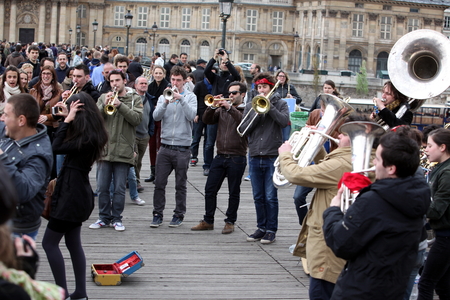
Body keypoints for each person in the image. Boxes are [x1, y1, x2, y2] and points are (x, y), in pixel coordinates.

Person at [322, 132, 430, 300]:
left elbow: (340, 243)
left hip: (362, 290)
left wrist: (333, 210)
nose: (373, 163)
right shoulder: (418, 194)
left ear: (391, 169)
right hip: (393, 288)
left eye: (378, 159)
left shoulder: (374, 200)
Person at [280, 115, 363, 299]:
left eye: (344, 134)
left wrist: (285, 154)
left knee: (321, 293)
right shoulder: (356, 160)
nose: (339, 136)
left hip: (327, 248)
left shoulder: (344, 162)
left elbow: (296, 175)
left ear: (355, 138)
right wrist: (317, 147)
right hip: (340, 243)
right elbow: (328, 169)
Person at [42, 93, 108, 300]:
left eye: (72, 110)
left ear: (79, 112)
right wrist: (65, 119)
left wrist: (67, 120)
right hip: (77, 192)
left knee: (49, 243)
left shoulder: (87, 138)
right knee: (73, 243)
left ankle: (61, 294)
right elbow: (66, 141)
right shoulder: (90, 134)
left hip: (71, 194)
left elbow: (57, 147)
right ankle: (80, 293)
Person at [238, 72, 289, 244]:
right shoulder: (252, 105)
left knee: (270, 196)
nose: (261, 90)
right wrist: (256, 113)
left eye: (264, 87)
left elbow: (284, 122)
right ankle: (261, 227)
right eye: (259, 87)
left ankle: (271, 230)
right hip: (254, 154)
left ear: (271, 87)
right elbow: (243, 128)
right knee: (258, 195)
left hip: (271, 155)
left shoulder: (280, 103)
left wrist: (269, 108)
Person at [191, 81, 248, 234]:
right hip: (220, 155)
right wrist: (213, 106)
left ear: (242, 94)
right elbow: (207, 120)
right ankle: (208, 220)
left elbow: (244, 124)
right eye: (229, 93)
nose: (231, 95)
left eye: (234, 93)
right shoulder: (222, 110)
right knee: (209, 189)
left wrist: (230, 108)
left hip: (237, 156)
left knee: (233, 191)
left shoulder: (247, 109)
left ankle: (230, 221)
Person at [89, 69, 143, 232]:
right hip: (105, 149)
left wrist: (120, 106)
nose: (114, 84)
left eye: (117, 80)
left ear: (124, 81)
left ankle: (117, 218)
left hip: (124, 149)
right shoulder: (103, 97)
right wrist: (103, 105)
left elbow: (137, 120)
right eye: (111, 81)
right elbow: (93, 120)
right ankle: (103, 217)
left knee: (119, 188)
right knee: (102, 187)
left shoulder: (134, 98)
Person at [0, 94, 53, 239]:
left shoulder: (39, 154)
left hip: (16, 230)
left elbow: (23, 191)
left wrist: (2, 158)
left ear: (21, 120)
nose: (2, 119)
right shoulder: (9, 132)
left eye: (5, 115)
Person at [150, 66, 196, 228]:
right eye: (173, 80)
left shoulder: (191, 97)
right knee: (159, 182)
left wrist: (181, 99)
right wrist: (165, 102)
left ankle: (178, 214)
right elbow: (156, 116)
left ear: (184, 81)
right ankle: (157, 214)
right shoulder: (165, 95)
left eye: (178, 80)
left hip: (183, 148)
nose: (175, 83)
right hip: (165, 146)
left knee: (180, 184)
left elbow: (191, 116)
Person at [418, 128, 450, 300]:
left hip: (446, 238)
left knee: (425, 282)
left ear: (442, 147)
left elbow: (437, 210)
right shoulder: (442, 168)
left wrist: (414, 206)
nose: (426, 149)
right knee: (443, 285)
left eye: (430, 146)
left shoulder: (447, 172)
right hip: (444, 235)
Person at [203, 49, 241, 176]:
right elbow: (206, 71)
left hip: (227, 110)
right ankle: (207, 165)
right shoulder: (215, 78)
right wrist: (214, 58)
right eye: (222, 63)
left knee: (226, 138)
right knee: (209, 141)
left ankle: (226, 163)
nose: (224, 64)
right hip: (215, 109)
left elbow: (237, 75)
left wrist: (226, 60)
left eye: (225, 63)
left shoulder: (232, 78)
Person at [145, 65, 169, 183]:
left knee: (161, 146)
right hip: (152, 118)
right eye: (156, 73)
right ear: (153, 74)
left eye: (160, 73)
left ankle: (160, 172)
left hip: (163, 118)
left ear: (164, 74)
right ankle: (152, 171)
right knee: (152, 146)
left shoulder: (167, 86)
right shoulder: (150, 87)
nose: (158, 75)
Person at [132, 76, 155, 194]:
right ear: (136, 85)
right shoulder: (131, 98)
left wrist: (150, 133)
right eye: (141, 83)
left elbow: (151, 117)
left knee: (139, 160)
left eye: (145, 83)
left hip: (145, 134)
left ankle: (131, 179)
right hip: (133, 134)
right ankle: (136, 182)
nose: (144, 85)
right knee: (134, 159)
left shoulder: (149, 99)